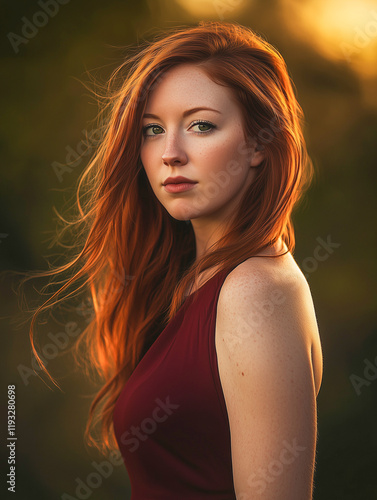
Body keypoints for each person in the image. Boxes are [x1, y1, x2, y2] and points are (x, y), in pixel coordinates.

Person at [24, 20, 322, 499]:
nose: (170, 153)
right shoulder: (194, 281)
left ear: (260, 144)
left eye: (201, 125)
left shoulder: (255, 289)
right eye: (153, 130)